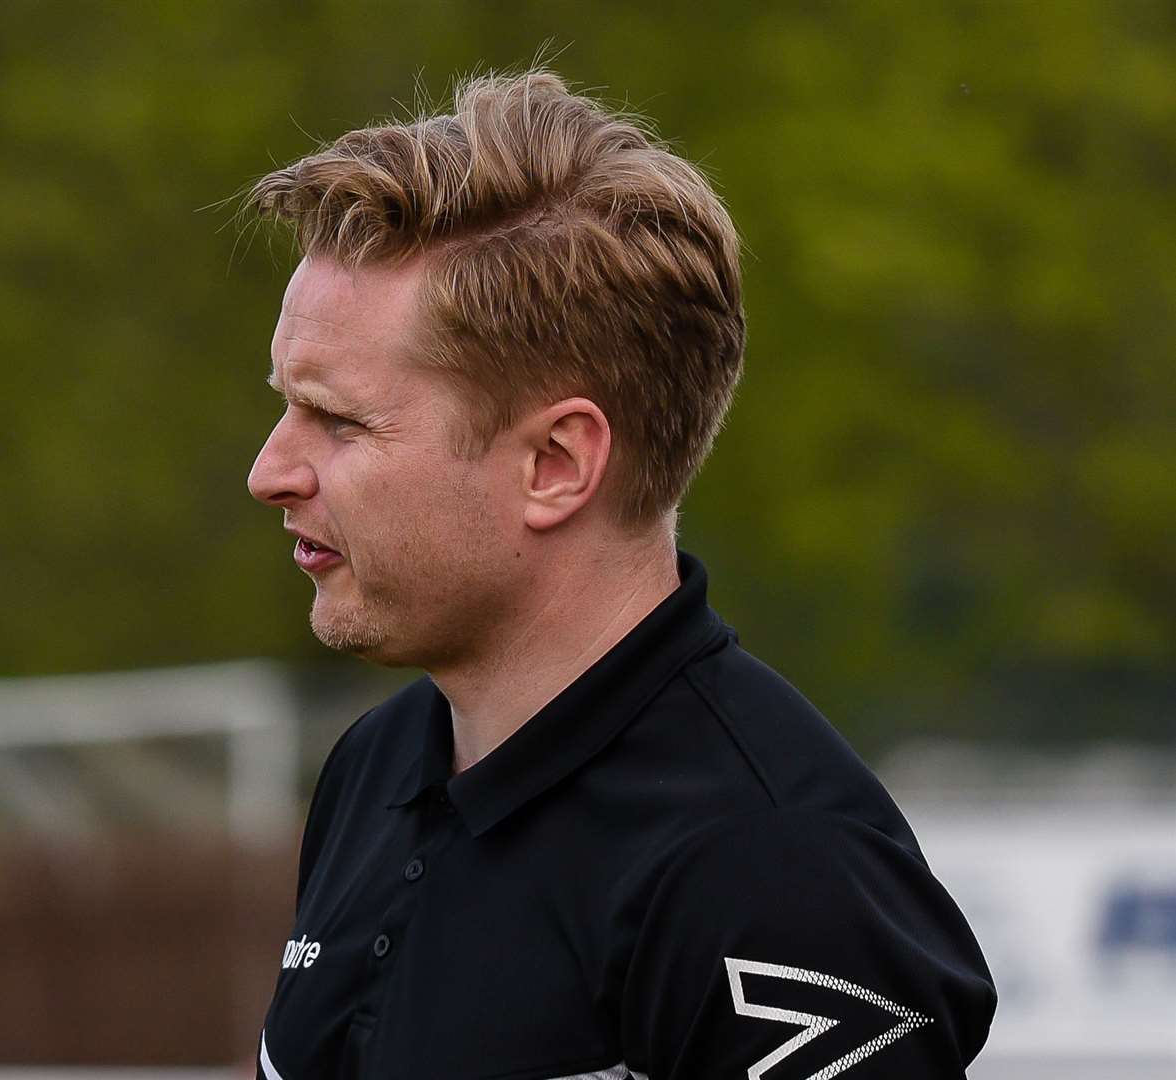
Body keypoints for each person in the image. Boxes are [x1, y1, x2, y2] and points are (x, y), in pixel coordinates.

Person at [243, 68, 995, 1080]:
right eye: (287, 406)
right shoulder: (375, 769)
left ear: (555, 465)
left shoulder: (776, 875)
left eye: (338, 420)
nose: (269, 472)